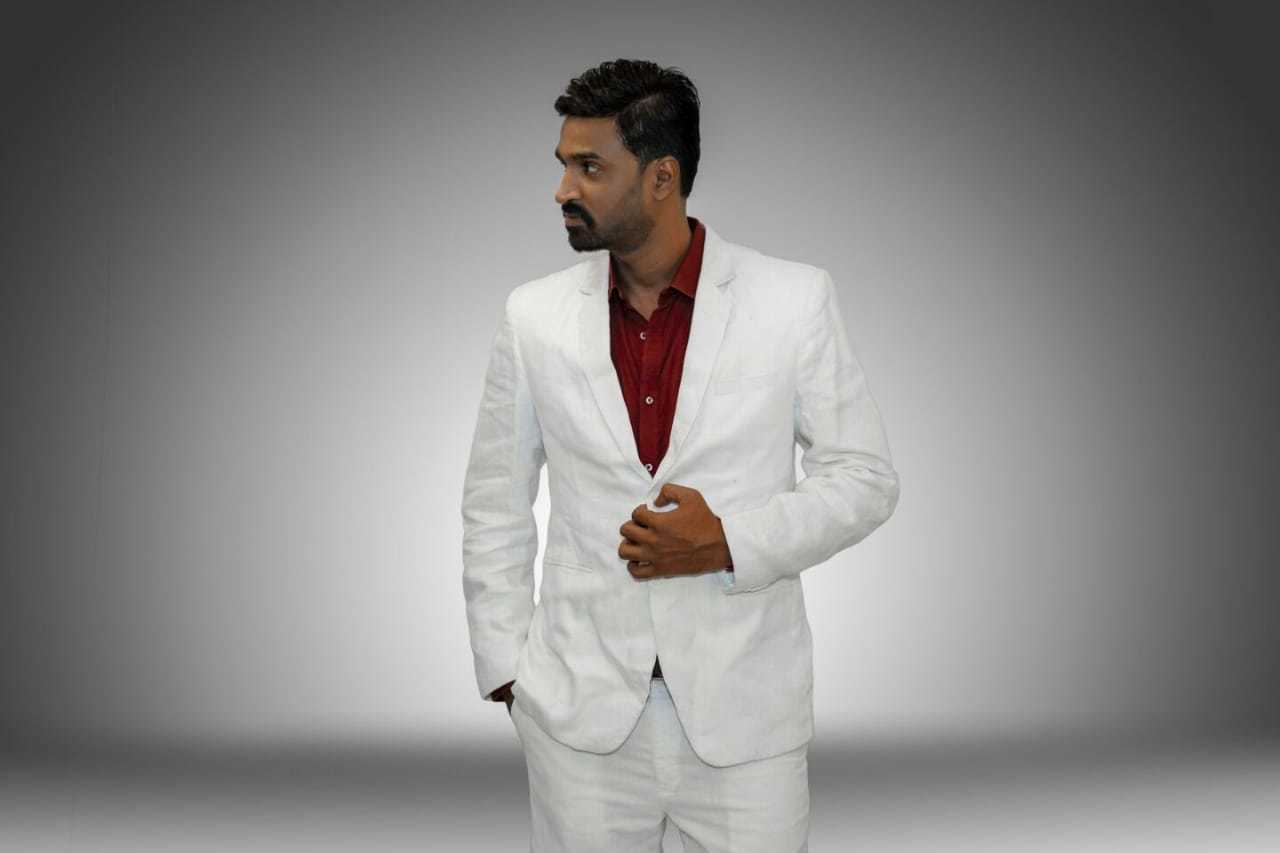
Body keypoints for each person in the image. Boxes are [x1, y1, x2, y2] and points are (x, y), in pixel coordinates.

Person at [461, 58, 899, 853]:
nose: (563, 189)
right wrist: (508, 670)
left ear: (661, 177)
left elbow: (864, 478)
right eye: (563, 164)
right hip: (577, 717)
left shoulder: (792, 300)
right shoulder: (533, 317)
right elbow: (495, 498)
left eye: (590, 167)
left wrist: (728, 540)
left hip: (746, 716)